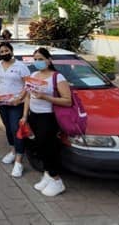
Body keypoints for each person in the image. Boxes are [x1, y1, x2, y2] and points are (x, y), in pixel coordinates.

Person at [22, 47, 72, 197]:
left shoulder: (58, 77)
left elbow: (67, 101)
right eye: (35, 59)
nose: (38, 62)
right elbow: (28, 96)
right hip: (34, 116)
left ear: (49, 60)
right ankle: (47, 175)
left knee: (48, 147)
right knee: (38, 146)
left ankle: (57, 180)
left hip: (48, 117)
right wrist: (25, 116)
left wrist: (46, 97)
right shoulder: (34, 75)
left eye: (41, 59)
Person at [0, 42, 30, 177]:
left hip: (16, 104)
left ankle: (19, 161)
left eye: (6, 51)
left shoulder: (21, 66)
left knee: (16, 129)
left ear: (11, 51)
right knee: (8, 127)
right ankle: (13, 151)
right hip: (2, 103)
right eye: (1, 52)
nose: (4, 53)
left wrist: (20, 98)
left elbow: (28, 85)